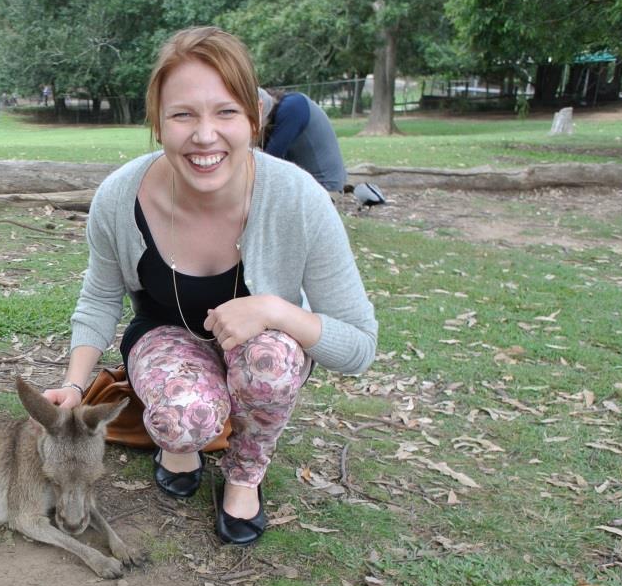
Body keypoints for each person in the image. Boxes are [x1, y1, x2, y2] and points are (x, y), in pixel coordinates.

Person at [42, 27, 376, 546]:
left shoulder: (298, 198)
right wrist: (75, 382)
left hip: (261, 344)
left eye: (225, 112)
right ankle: (181, 444)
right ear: (157, 123)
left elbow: (358, 345)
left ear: (254, 118)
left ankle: (245, 474)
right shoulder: (119, 196)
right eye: (183, 115)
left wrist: (273, 310)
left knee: (271, 362)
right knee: (181, 421)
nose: (204, 136)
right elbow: (99, 296)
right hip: (166, 335)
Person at [257, 87, 347, 192]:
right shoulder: (289, 105)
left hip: (325, 188)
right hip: (310, 185)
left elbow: (267, 166)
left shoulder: (292, 107)